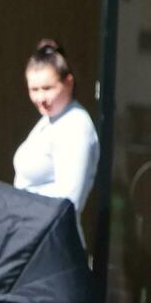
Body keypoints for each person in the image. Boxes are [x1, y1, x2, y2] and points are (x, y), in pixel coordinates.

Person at [13, 40, 99, 223]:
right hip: (27, 229)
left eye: (47, 88)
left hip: (50, 239)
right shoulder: (49, 120)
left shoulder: (75, 126)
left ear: (68, 82)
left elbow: (68, 200)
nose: (40, 98)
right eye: (34, 90)